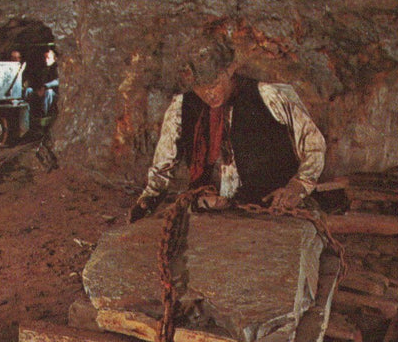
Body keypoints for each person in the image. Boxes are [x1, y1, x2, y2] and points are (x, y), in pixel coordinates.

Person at [129, 41, 325, 222]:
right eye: (201, 88)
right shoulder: (182, 106)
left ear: (229, 71)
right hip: (210, 211)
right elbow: (163, 165)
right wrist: (150, 198)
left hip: (270, 209)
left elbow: (313, 143)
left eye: (214, 84)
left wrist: (298, 185)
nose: (209, 94)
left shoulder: (268, 95)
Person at [26, 47, 59, 118]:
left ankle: (43, 115)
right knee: (28, 90)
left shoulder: (57, 68)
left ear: (54, 58)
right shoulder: (42, 68)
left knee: (49, 92)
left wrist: (45, 86)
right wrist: (37, 89)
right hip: (40, 91)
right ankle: (27, 115)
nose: (46, 60)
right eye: (45, 58)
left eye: (48, 58)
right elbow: (37, 81)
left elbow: (58, 80)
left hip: (53, 94)